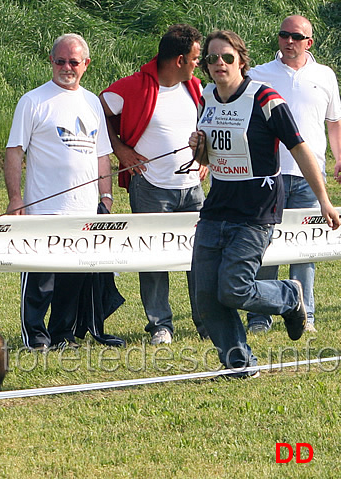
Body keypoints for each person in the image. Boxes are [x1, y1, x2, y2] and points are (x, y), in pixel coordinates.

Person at [189, 30, 340, 375]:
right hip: (217, 205)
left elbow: (299, 148)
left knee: (234, 288)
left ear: (242, 60)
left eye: (227, 57)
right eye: (212, 58)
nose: (219, 64)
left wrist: (324, 201)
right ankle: (240, 364)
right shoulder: (206, 97)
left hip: (256, 208)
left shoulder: (265, 98)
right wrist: (197, 145)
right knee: (207, 297)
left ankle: (289, 296)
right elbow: (208, 157)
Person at [100, 24, 209, 345]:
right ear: (178, 59)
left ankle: (206, 321)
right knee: (153, 259)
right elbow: (98, 111)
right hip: (149, 187)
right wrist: (120, 150)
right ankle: (160, 325)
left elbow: (205, 129)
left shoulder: (197, 88)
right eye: (195, 58)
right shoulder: (134, 86)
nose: (198, 64)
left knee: (201, 257)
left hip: (193, 189)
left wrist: (203, 159)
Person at [4, 33, 114, 351]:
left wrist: (105, 197)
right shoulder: (33, 101)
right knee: (40, 279)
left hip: (83, 210)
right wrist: (15, 197)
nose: (67, 67)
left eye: (73, 62)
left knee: (73, 277)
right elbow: (15, 151)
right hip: (43, 209)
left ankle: (62, 335)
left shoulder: (92, 102)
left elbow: (102, 155)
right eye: (60, 61)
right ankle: (35, 336)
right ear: (51, 62)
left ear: (86, 65)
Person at [246, 15, 341, 334]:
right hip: (268, 177)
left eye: (296, 37)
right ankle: (261, 317)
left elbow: (334, 123)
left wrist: (339, 158)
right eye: (284, 35)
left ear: (308, 42)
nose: (289, 41)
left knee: (305, 248)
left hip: (310, 178)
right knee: (264, 246)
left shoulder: (325, 76)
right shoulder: (259, 75)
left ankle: (306, 314)